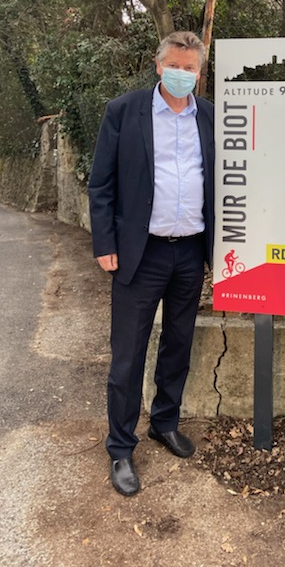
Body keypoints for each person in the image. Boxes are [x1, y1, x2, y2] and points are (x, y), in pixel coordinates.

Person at [88, 31, 214, 496]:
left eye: (190, 68)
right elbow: (101, 183)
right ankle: (121, 446)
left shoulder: (211, 116)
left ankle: (164, 422)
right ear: (158, 66)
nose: (182, 74)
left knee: (178, 344)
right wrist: (105, 243)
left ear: (199, 72)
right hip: (140, 254)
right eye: (174, 66)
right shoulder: (124, 111)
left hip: (190, 251)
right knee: (128, 354)